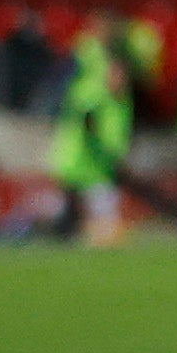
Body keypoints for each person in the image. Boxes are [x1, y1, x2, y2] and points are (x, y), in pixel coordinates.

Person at [49, 24, 128, 246]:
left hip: (94, 158)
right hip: (84, 157)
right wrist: (98, 146)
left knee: (80, 202)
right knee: (92, 197)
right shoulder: (91, 93)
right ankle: (99, 232)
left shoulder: (114, 98)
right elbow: (88, 124)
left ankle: (91, 233)